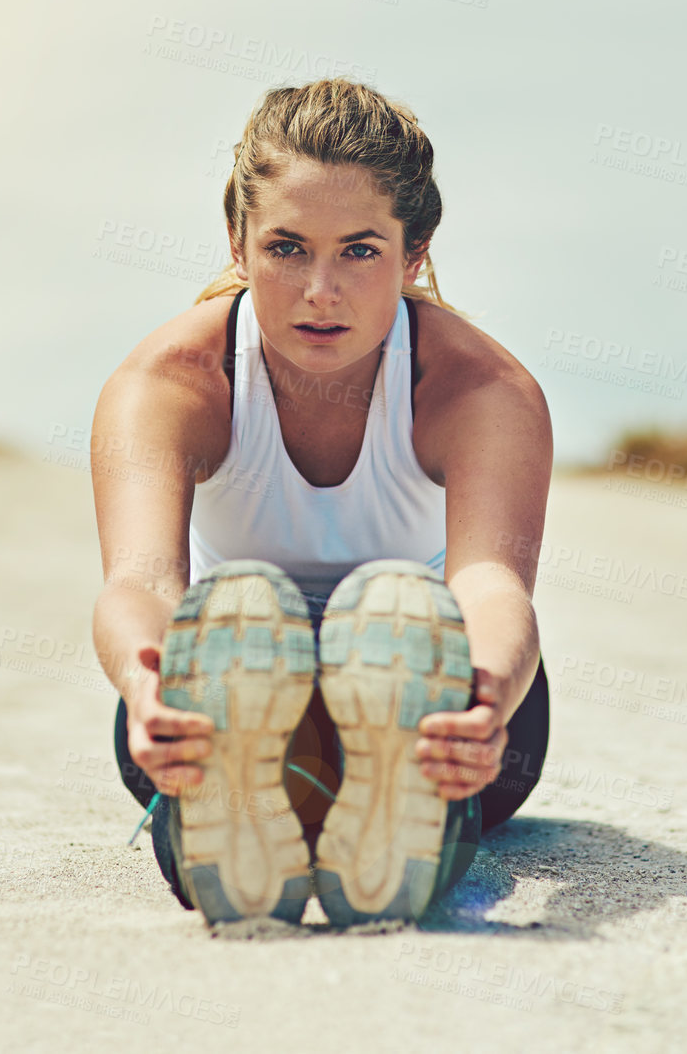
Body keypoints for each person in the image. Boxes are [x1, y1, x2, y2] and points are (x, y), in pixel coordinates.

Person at [90, 79, 552, 926]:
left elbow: (490, 584)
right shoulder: (169, 384)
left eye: (360, 251)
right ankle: (290, 813)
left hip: (434, 681)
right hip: (235, 666)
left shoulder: (480, 389)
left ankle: (327, 812)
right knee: (192, 684)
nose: (319, 290)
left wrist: (484, 693)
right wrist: (145, 685)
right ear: (237, 242)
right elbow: (142, 580)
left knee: (433, 668)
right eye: (288, 248)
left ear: (414, 253)